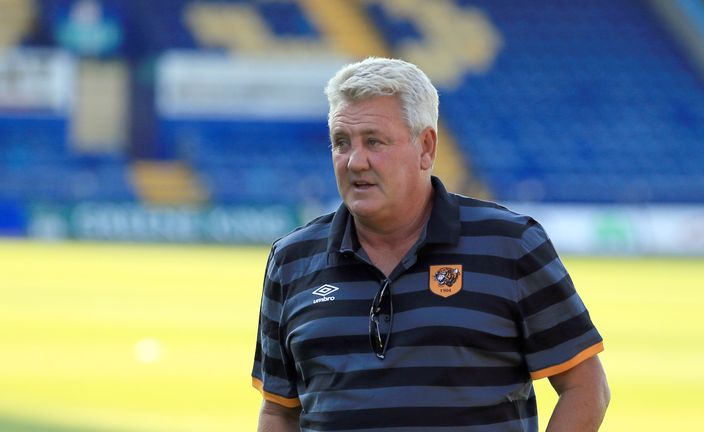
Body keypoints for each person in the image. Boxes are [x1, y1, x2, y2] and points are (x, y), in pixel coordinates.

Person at [252, 57, 610, 431]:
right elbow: (279, 410)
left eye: (374, 141)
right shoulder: (292, 260)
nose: (355, 161)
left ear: (426, 147)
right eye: (342, 143)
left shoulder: (511, 245)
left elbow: (586, 387)